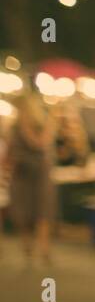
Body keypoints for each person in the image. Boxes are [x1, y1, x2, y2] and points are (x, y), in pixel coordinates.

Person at [2, 96, 55, 265]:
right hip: (21, 175)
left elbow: (40, 143)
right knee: (24, 212)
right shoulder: (14, 128)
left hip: (39, 175)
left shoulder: (40, 126)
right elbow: (9, 153)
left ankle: (43, 249)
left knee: (42, 211)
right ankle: (29, 247)